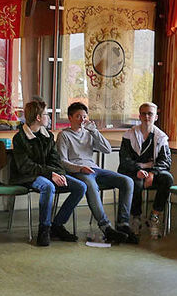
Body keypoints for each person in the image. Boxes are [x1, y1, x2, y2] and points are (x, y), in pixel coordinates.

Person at [56, 102, 135, 244]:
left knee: (127, 181)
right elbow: (63, 162)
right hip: (78, 171)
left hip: (94, 169)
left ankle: (123, 224)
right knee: (90, 185)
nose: (81, 120)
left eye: (84, 117)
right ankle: (106, 227)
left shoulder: (89, 133)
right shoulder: (64, 135)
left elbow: (107, 149)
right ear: (70, 118)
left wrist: (95, 131)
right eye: (78, 116)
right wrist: (80, 168)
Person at [11, 99, 86, 246]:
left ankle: (57, 225)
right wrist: (50, 174)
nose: (49, 117)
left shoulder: (48, 136)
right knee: (48, 187)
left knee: (80, 187)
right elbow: (26, 167)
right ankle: (44, 229)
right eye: (46, 114)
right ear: (38, 118)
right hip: (28, 177)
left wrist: (58, 174)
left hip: (48, 173)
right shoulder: (20, 138)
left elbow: (56, 161)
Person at [118, 101, 174, 239]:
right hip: (132, 171)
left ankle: (154, 216)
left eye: (150, 114)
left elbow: (165, 161)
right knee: (135, 183)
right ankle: (136, 217)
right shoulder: (129, 134)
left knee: (167, 179)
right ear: (139, 116)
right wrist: (137, 169)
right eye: (144, 113)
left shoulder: (161, 137)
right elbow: (124, 159)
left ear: (155, 117)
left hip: (152, 171)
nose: (147, 116)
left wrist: (152, 173)